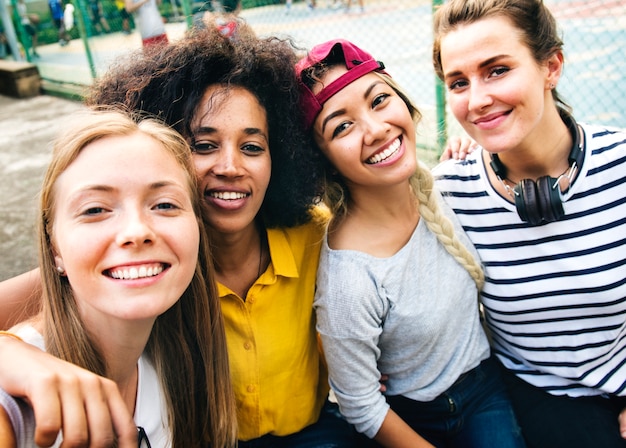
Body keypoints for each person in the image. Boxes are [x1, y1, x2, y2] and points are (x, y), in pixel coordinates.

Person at [0, 27, 359, 447]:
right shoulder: (137, 269)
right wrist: (16, 359)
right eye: (204, 145)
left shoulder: (315, 232)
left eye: (253, 147)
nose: (231, 166)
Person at [295, 39, 525, 448]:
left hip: (486, 387)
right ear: (322, 159)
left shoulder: (451, 189)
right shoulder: (349, 278)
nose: (376, 128)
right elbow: (361, 403)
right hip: (412, 418)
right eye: (342, 126)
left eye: (379, 100)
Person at [431, 0, 626, 447]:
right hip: (537, 398)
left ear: (551, 66)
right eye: (458, 82)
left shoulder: (620, 164)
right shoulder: (447, 196)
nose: (477, 100)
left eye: (497, 70)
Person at [0, 108, 237, 447]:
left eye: (165, 205)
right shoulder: (17, 398)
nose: (137, 231)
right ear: (55, 250)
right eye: (95, 209)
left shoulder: (175, 361)